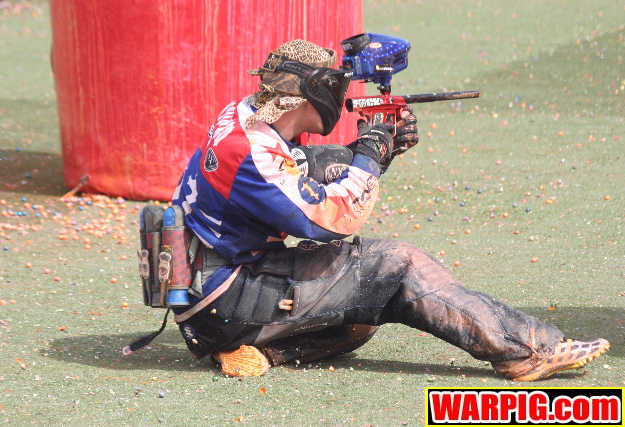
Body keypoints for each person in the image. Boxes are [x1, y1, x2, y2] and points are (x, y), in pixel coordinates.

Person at [169, 39, 608, 381]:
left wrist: (378, 150)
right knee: (396, 266)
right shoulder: (253, 154)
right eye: (333, 86)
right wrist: (369, 154)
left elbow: (300, 168)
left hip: (207, 283)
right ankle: (530, 351)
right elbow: (331, 219)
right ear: (309, 94)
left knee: (364, 309)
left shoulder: (245, 117)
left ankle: (256, 349)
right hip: (226, 297)